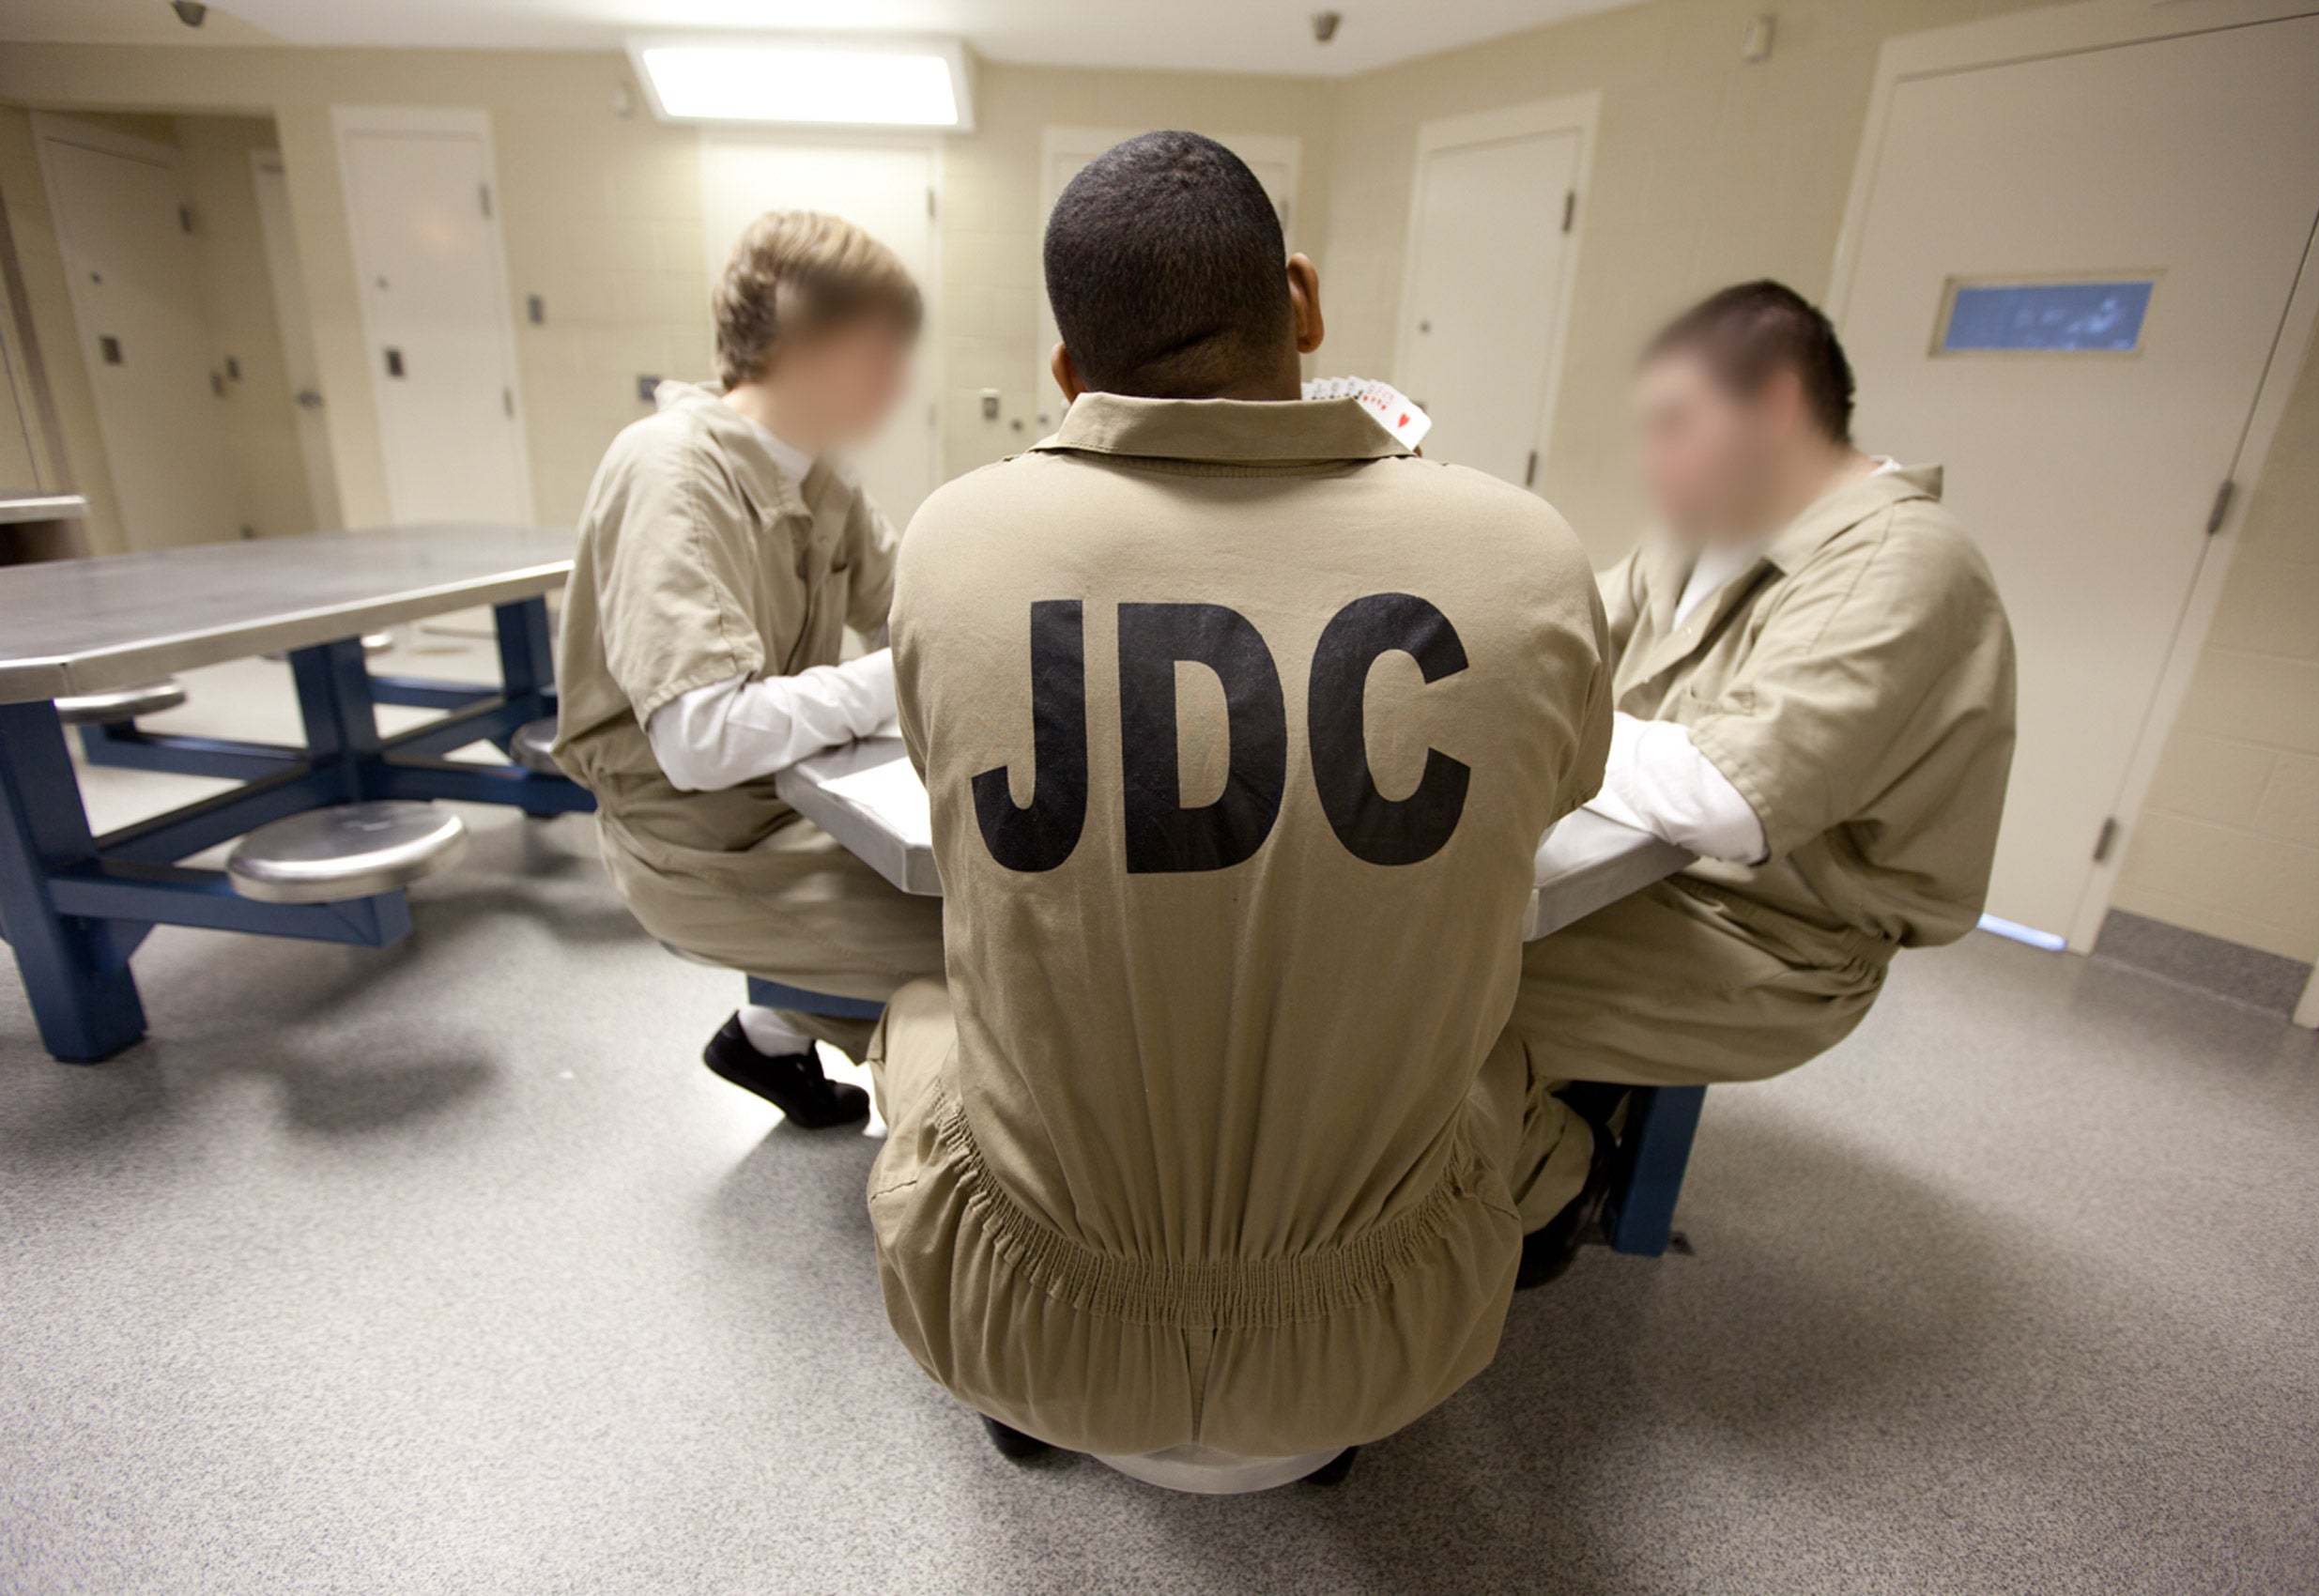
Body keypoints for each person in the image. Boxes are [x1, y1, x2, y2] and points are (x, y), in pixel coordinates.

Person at [866, 132, 1613, 1491]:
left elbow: (942, 786)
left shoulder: (951, 541)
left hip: (1027, 1322)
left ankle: (1076, 1394)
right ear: (1306, 302)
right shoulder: (1527, 553)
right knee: (1503, 1045)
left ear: (1066, 375)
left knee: (913, 1015)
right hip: (1388, 1336)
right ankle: (1299, 1412)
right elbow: (1556, 794)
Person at [1508, 281, 2017, 1282]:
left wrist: (1548, 726)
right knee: (1418, 972)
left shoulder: (1905, 565)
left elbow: (1727, 800)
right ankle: (1537, 1114)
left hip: (1779, 938)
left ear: (1777, 405)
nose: (1651, 456)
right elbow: (1551, 650)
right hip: (1651, 880)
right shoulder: (1702, 529)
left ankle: (1556, 1180)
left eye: (1673, 424)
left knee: (1429, 1003)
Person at [551, 211, 945, 1128]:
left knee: (984, 883)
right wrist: (897, 677)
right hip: (697, 842)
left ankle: (765, 1029)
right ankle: (801, 1023)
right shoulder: (670, 472)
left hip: (793, 800)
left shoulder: (820, 476)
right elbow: (700, 738)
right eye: (882, 344)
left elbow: (910, 613)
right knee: (986, 939)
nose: (900, 376)